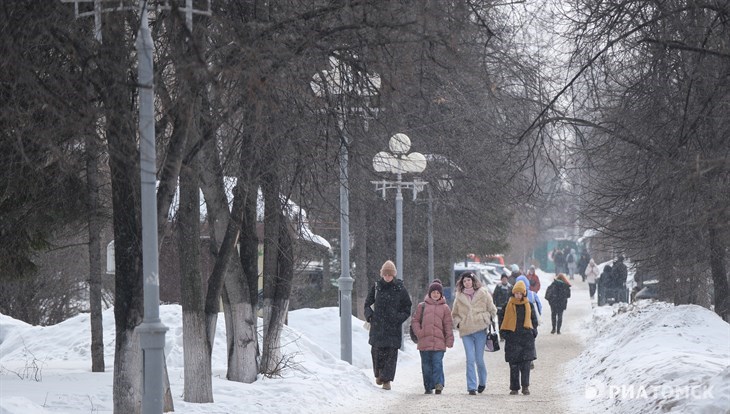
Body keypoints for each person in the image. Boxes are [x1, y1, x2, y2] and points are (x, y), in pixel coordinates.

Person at [364, 260, 412, 390]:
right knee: (376, 352)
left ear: (394, 275)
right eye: (385, 275)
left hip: (393, 328)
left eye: (390, 275)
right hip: (377, 326)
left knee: (391, 355)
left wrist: (398, 318)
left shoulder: (400, 288)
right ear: (382, 274)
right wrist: (370, 316)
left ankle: (387, 381)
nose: (387, 277)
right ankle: (379, 374)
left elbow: (407, 307)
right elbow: (367, 304)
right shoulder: (376, 287)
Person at [451, 271, 498, 395]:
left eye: (469, 280)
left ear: (473, 281)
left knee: (479, 359)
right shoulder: (459, 296)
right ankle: (471, 386)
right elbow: (454, 314)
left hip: (480, 330)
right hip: (466, 331)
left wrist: (485, 318)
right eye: (464, 281)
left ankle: (482, 382)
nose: (467, 282)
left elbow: (492, 310)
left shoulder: (483, 293)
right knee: (470, 359)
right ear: (462, 283)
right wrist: (459, 323)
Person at [411, 279, 454, 395]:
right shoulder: (422, 306)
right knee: (426, 366)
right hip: (424, 342)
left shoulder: (445, 308)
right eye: (433, 292)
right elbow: (415, 321)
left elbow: (448, 325)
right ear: (429, 293)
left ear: (441, 295)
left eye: (438, 292)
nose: (435, 294)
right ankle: (428, 386)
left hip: (439, 342)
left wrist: (449, 339)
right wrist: (419, 333)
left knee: (437, 363)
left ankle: (438, 384)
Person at [500, 280, 538, 396]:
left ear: (524, 293)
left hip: (526, 339)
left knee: (526, 365)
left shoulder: (528, 305)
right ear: (513, 293)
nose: (518, 295)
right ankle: (514, 388)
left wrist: (533, 332)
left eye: (520, 293)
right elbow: (502, 320)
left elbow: (534, 320)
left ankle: (525, 387)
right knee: (514, 366)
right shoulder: (508, 305)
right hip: (512, 339)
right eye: (516, 293)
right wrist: (504, 334)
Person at [492, 273, 512, 338]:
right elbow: (494, 296)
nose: (504, 280)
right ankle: (502, 336)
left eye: (505, 279)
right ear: (501, 279)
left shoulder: (510, 287)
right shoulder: (498, 287)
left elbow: (512, 297)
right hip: (499, 308)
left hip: (508, 308)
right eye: (503, 279)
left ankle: (507, 335)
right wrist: (494, 304)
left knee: (508, 322)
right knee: (500, 322)